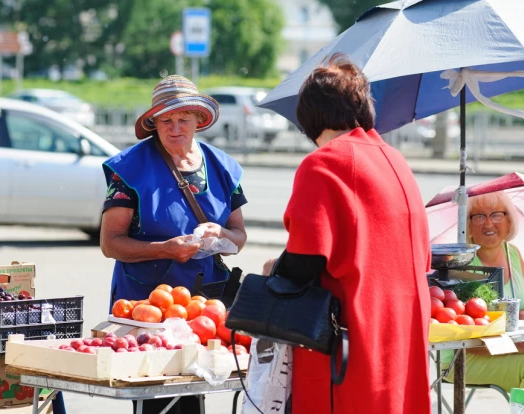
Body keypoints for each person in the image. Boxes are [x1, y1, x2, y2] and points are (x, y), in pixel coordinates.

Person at [261, 54, 432, 413]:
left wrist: (274, 270)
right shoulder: (394, 159)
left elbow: (305, 262)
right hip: (400, 335)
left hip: (350, 341)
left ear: (308, 117)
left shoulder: (323, 163)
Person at [99, 75, 248, 414]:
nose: (175, 127)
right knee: (154, 394)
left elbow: (239, 237)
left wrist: (222, 237)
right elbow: (110, 244)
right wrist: (164, 248)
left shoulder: (223, 168)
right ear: (154, 124)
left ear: (199, 120)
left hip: (202, 306)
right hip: (146, 304)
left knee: (193, 388)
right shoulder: (130, 169)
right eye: (166, 120)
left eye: (183, 119)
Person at [441, 191, 524, 391]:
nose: (488, 223)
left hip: (514, 349)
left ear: (509, 221)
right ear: (469, 224)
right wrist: (519, 346)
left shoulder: (513, 254)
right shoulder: (462, 263)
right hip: (465, 357)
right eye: (479, 216)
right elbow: (467, 335)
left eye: (496, 215)